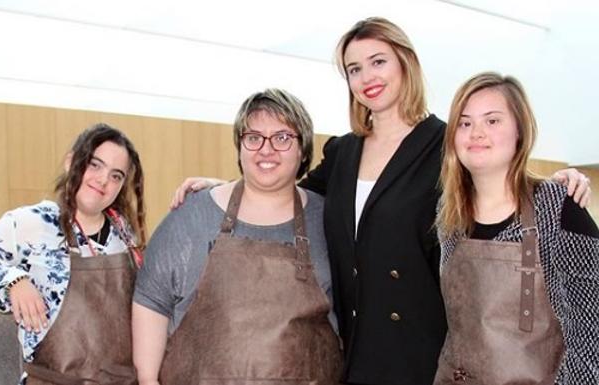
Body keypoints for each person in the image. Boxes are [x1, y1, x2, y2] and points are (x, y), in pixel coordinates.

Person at [170, 18, 592, 385]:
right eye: (354, 68)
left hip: (423, 357)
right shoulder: (343, 152)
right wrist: (228, 187)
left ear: (405, 62)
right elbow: (291, 195)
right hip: (353, 351)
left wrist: (554, 182)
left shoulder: (443, 143)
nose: (366, 76)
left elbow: (493, 177)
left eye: (378, 61)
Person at [132, 89, 342, 385]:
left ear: (303, 149)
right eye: (253, 138)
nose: (265, 150)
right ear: (240, 147)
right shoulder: (191, 217)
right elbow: (151, 301)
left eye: (282, 138)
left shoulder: (330, 221)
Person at [435, 72, 599, 384]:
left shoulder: (559, 207)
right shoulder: (448, 215)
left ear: (520, 131)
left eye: (492, 121)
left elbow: (592, 329)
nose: (476, 133)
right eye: (465, 123)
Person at [0, 123, 145, 384]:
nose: (103, 180)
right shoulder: (31, 223)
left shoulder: (125, 237)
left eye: (116, 176)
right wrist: (14, 280)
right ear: (71, 162)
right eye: (95, 165)